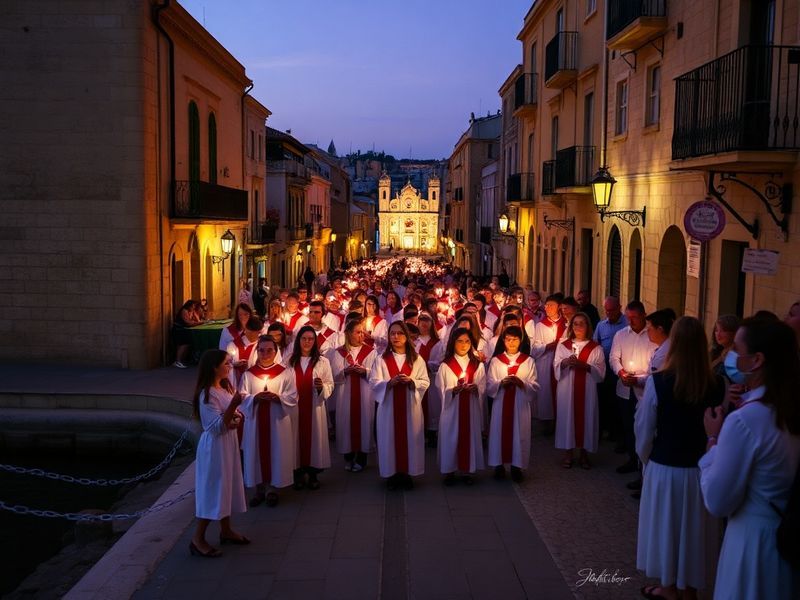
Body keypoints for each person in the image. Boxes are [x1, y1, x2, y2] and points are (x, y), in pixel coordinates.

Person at [700, 318, 800, 600]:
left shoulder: (745, 420)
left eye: (738, 349)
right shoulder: (788, 408)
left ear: (756, 360)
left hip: (752, 541)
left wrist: (713, 441)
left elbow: (718, 501)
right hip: (784, 540)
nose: (732, 356)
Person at [634, 317, 724, 600]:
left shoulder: (659, 382)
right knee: (694, 531)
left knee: (667, 528)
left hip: (665, 465)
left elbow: (645, 427)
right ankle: (689, 587)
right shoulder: (719, 384)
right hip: (701, 468)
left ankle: (669, 586)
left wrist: (646, 458)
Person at [191, 350, 248, 557]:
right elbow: (215, 426)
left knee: (227, 485)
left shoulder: (224, 387)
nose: (230, 366)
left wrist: (236, 416)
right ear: (214, 367)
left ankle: (226, 530)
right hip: (214, 447)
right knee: (214, 489)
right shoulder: (207, 394)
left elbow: (230, 418)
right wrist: (234, 406)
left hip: (227, 443)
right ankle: (197, 539)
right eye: (226, 363)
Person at [369, 321, 430, 490]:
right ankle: (391, 474)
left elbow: (425, 381)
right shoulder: (381, 359)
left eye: (400, 333)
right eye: (392, 333)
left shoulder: (416, 359)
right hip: (389, 408)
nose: (396, 337)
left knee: (411, 438)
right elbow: (374, 382)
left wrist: (412, 382)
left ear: (407, 336)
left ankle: (408, 473)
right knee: (389, 439)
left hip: (410, 408)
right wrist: (389, 383)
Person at [238, 336, 297, 508]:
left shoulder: (286, 372)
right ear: (257, 352)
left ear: (276, 351)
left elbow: (292, 396)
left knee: (275, 451)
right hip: (255, 421)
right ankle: (259, 489)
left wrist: (278, 398)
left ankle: (272, 489)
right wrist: (254, 398)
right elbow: (242, 396)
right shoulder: (249, 374)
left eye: (269, 350)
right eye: (261, 350)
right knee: (255, 451)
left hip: (276, 421)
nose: (265, 354)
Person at [609, 301, 657, 475]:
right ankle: (632, 459)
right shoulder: (621, 335)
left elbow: (655, 366)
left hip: (645, 391)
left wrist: (640, 380)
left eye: (635, 317)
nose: (631, 321)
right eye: (628, 318)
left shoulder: (652, 336)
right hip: (625, 389)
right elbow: (614, 358)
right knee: (628, 426)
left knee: (644, 428)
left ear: (643, 315)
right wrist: (621, 372)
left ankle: (643, 465)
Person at [486, 326, 539, 482]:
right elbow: (489, 384)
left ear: (520, 340)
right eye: (508, 339)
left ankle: (517, 467)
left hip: (520, 404)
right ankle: (499, 465)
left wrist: (522, 383)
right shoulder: (496, 361)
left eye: (515, 339)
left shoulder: (528, 361)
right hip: (501, 403)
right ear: (503, 341)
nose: (511, 342)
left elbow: (535, 384)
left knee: (519, 433)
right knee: (498, 433)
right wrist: (501, 383)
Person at [554, 313, 606, 469]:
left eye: (582, 323)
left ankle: (584, 454)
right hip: (567, 388)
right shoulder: (563, 345)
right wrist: (564, 362)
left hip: (587, 389)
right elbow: (556, 365)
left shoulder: (595, 347)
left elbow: (601, 372)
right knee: (567, 418)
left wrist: (586, 366)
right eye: (575, 324)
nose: (578, 327)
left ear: (588, 326)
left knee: (587, 417)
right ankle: (568, 453)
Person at [436, 327, 487, 485]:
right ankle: (449, 470)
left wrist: (476, 388)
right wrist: (452, 391)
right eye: (459, 341)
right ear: (453, 343)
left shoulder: (477, 364)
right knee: (450, 437)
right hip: (451, 410)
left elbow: (483, 385)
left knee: (469, 435)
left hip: (470, 408)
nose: (464, 345)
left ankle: (467, 471)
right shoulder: (446, 365)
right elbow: (440, 387)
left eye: (467, 341)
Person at [288, 325, 334, 490]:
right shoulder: (289, 360)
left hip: (314, 407)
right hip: (294, 408)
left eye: (310, 339)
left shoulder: (323, 361)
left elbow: (330, 383)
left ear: (315, 342)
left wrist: (321, 387)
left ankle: (313, 473)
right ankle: (298, 473)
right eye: (304, 339)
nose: (307, 342)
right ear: (298, 340)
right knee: (295, 439)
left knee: (314, 439)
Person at [330, 317, 377, 472]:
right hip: (345, 395)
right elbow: (333, 375)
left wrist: (365, 371)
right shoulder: (339, 353)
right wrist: (344, 371)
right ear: (348, 334)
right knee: (345, 423)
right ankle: (348, 457)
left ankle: (362, 458)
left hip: (365, 395)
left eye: (362, 332)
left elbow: (376, 374)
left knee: (365, 422)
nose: (361, 335)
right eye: (357, 332)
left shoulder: (371, 352)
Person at [593, 296, 628, 445]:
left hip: (622, 371)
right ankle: (601, 431)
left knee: (619, 403)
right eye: (606, 310)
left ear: (619, 307)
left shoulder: (626, 324)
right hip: (605, 369)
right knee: (603, 400)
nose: (609, 313)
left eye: (612, 310)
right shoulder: (601, 326)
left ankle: (618, 435)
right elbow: (596, 343)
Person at [532, 295, 568, 434]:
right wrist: (548, 346)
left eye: (551, 305)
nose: (547, 308)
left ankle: (560, 422)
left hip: (560, 362)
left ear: (559, 307)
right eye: (546, 305)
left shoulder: (565, 324)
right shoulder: (540, 325)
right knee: (545, 393)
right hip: (545, 363)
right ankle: (547, 423)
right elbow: (534, 348)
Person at [225, 316, 263, 385]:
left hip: (255, 382)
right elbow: (225, 364)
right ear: (245, 329)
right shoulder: (233, 345)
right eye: (250, 332)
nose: (252, 335)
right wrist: (233, 365)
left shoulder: (262, 346)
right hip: (235, 381)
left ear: (259, 332)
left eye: (255, 333)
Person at [709, 315, 740, 383]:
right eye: (716, 330)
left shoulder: (738, 355)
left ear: (734, 333)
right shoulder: (715, 351)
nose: (718, 334)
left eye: (723, 330)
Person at [173, 300, 202, 368]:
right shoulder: (184, 311)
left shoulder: (191, 311)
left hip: (184, 330)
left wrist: (195, 314)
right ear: (189, 305)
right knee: (183, 344)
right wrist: (199, 323)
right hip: (179, 330)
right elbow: (188, 323)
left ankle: (181, 360)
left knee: (187, 344)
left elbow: (197, 320)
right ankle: (178, 361)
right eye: (193, 305)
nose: (194, 307)